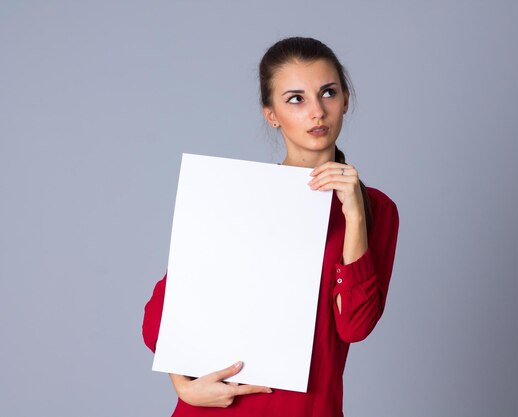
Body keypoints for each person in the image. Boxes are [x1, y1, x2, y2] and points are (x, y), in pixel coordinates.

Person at [142, 36, 400, 417]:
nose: (317, 112)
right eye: (296, 99)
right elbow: (161, 316)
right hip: (219, 408)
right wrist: (183, 386)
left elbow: (354, 327)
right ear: (271, 114)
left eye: (327, 93)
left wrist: (355, 215)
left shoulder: (376, 209)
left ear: (345, 99)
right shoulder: (236, 195)